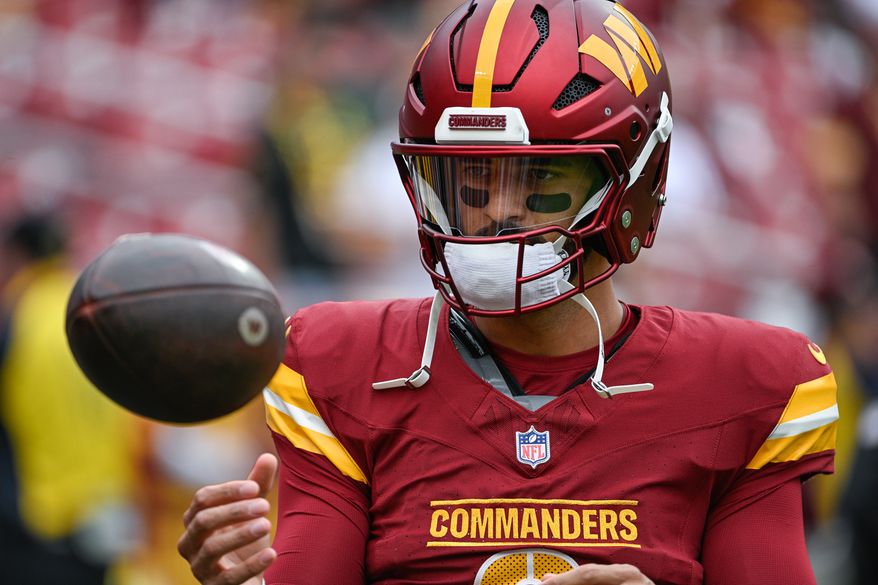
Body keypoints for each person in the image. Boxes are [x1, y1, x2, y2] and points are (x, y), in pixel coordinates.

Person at [176, 1, 838, 584]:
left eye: (540, 179)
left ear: (632, 185)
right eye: (469, 182)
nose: (494, 213)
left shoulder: (741, 386)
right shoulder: (343, 365)